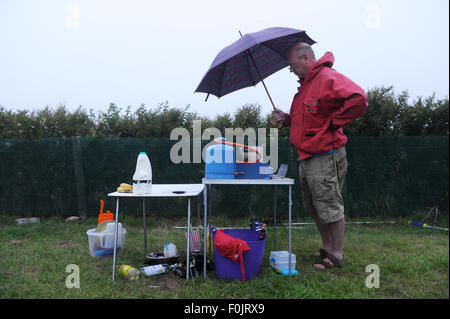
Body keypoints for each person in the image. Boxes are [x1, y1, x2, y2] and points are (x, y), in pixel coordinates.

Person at [272, 42, 368, 269]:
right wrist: (285, 119)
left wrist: (334, 122)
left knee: (329, 204)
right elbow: (306, 120)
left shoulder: (326, 77)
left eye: (293, 65)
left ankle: (336, 255)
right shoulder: (305, 87)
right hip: (307, 156)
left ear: (306, 58)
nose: (291, 70)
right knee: (316, 206)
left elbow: (359, 99)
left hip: (326, 155)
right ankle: (327, 246)